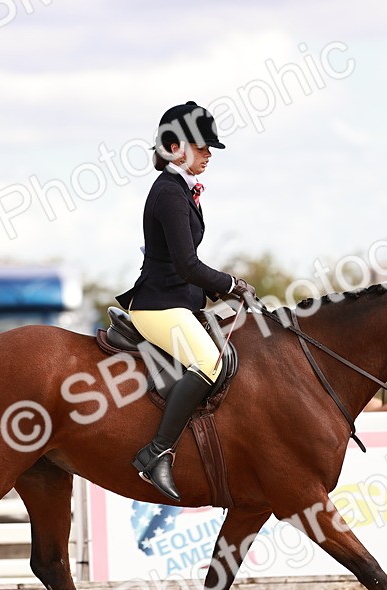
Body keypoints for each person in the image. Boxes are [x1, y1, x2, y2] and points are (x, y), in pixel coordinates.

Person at [115, 101, 257, 501]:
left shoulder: (181, 189)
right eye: (201, 146)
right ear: (175, 147)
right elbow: (187, 264)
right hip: (158, 306)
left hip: (178, 301)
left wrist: (222, 292)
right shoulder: (169, 193)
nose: (209, 153)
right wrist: (231, 284)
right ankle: (156, 453)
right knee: (209, 363)